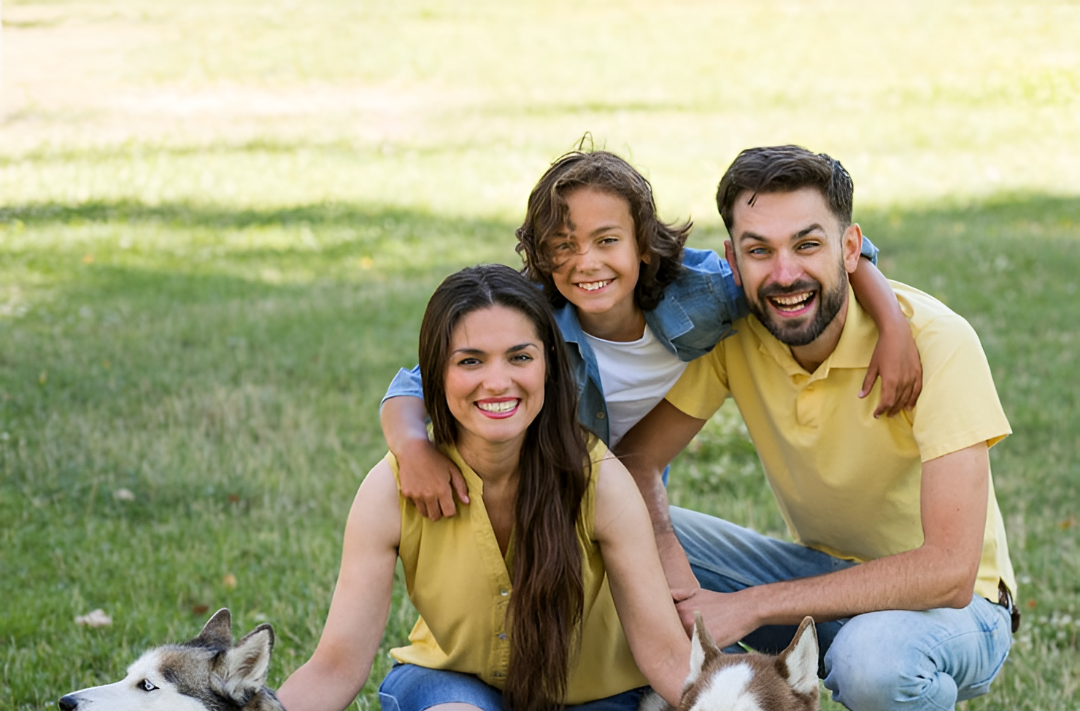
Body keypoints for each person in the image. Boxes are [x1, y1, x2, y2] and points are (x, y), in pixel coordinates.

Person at [615, 145, 1017, 711]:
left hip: (958, 610)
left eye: (807, 245)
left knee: (872, 662)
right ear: (732, 261)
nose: (785, 274)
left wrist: (750, 605)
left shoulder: (937, 341)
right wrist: (674, 572)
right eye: (759, 251)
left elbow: (951, 572)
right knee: (620, 537)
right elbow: (636, 462)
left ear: (851, 249)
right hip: (827, 578)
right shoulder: (737, 336)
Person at [277, 264, 691, 711]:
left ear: (549, 368)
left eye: (519, 357)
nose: (497, 382)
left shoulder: (598, 480)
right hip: (454, 682)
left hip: (585, 696)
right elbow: (334, 666)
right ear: (435, 377)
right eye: (470, 361)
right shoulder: (393, 486)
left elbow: (664, 653)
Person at [380, 148, 923, 521]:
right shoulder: (529, 321)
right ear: (542, 255)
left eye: (606, 241)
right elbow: (412, 385)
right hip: (532, 487)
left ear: (643, 244)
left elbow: (842, 255)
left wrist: (893, 327)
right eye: (564, 245)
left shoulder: (706, 295)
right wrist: (412, 448)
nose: (586, 262)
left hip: (628, 492)